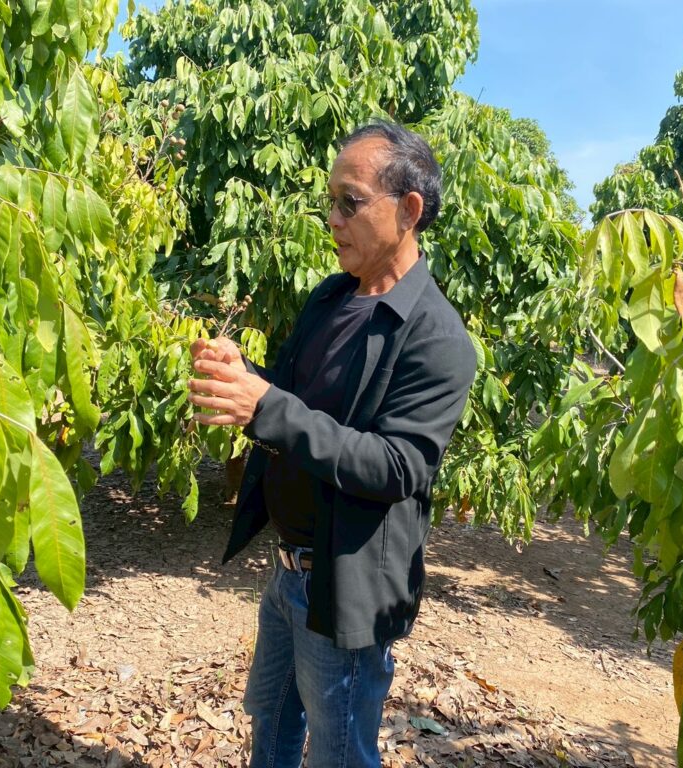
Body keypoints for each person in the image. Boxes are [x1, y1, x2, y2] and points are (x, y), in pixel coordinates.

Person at [188, 120, 476, 768]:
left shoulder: (437, 338)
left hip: (345, 585)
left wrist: (265, 406)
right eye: (331, 201)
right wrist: (244, 376)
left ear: (409, 210)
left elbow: (397, 465)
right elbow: (293, 397)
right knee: (271, 725)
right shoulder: (331, 296)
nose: (333, 219)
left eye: (351, 201)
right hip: (287, 572)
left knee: (339, 752)